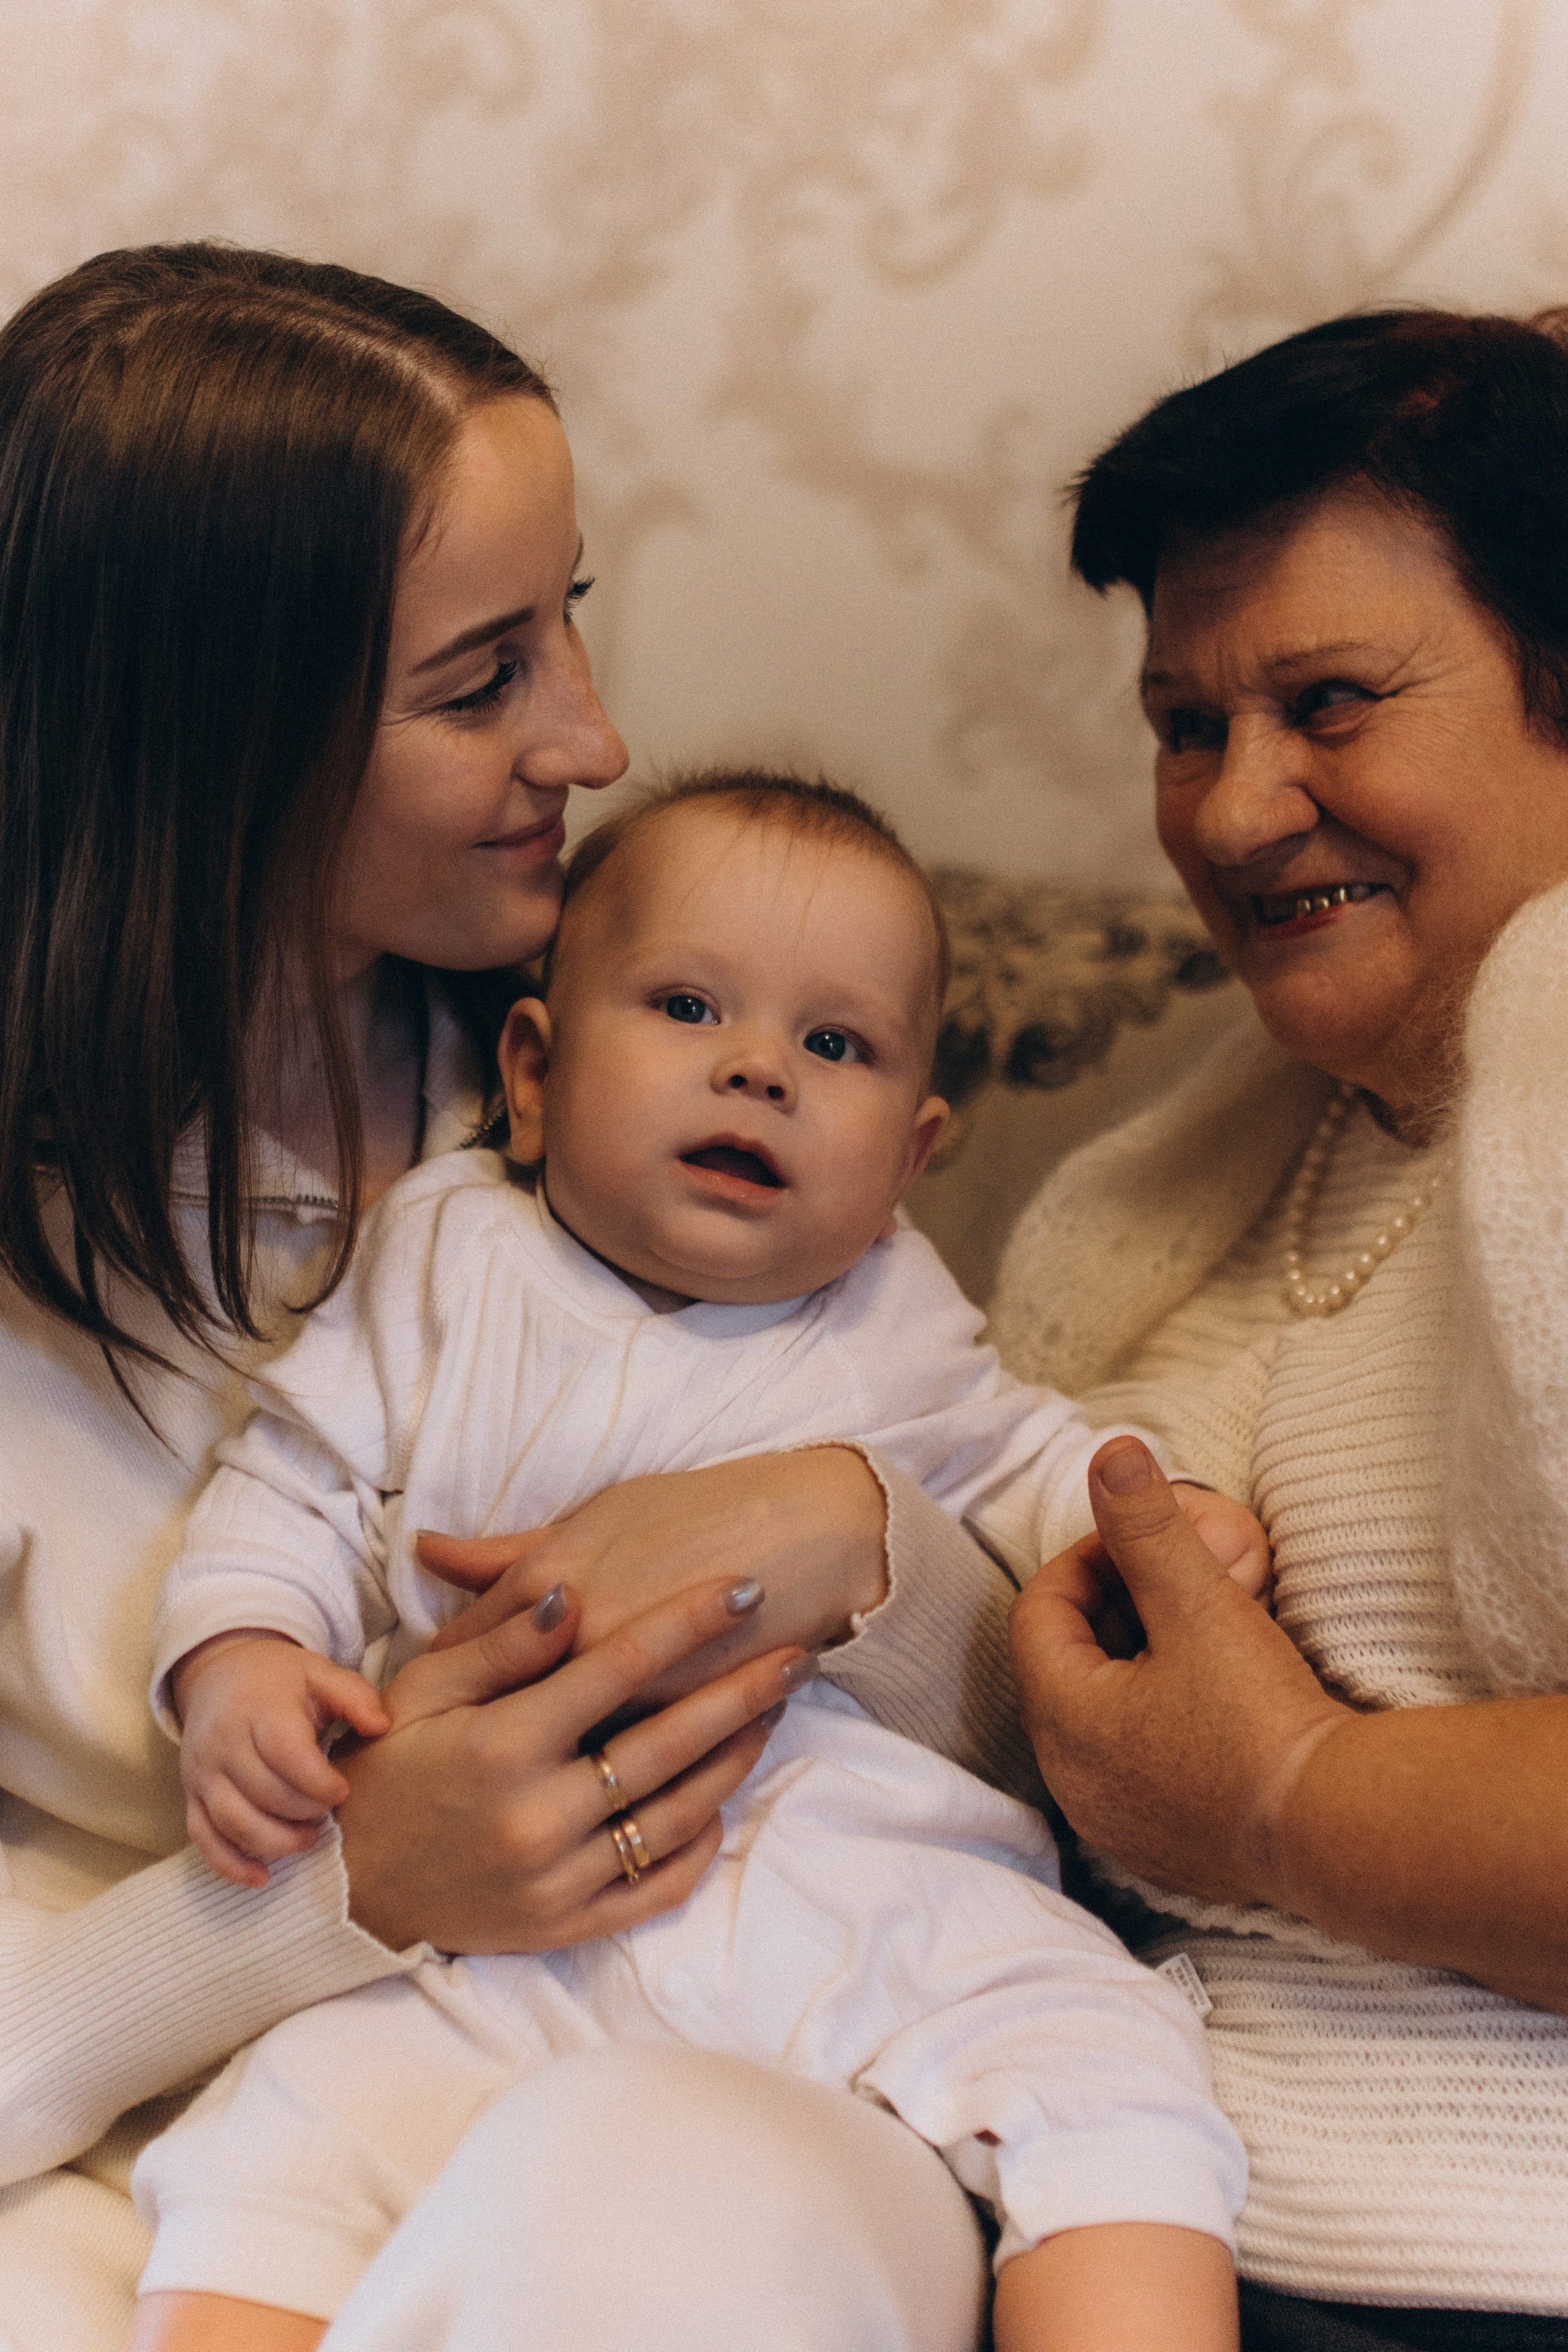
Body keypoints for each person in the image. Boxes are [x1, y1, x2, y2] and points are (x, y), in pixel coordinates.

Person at [0, 244, 1033, 2352]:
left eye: (573, 620)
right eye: (480, 682)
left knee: (643, 2214)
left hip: (745, 2055)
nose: (597, 732)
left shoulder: (681, 1096)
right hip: (142, 2156)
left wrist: (862, 1540)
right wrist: (327, 1894)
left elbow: (1045, 1754)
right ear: (205, 743)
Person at [130, 771, 1265, 2352]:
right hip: (494, 1933)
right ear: (533, 1071)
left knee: (1113, 2076)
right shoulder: (447, 1259)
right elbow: (294, 1491)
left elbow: (1024, 1460)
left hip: (867, 1888)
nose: (758, 1069)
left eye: (836, 1044)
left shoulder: (902, 1317)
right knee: (275, 2143)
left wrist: (1157, 1527)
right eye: (686, 1005)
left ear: (911, 1155)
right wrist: (241, 1658)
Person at [991, 308, 1568, 2349]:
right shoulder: (1190, 1190)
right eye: (1183, 723)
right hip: (1104, 2232)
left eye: (1330, 701)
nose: (1234, 816)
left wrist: (1280, 1800)